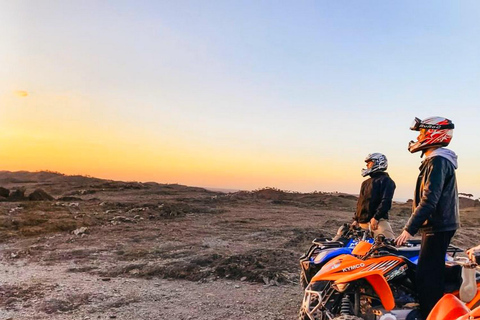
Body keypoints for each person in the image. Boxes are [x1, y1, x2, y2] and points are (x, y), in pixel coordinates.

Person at [395, 116, 459, 319]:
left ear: (433, 134)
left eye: (422, 133)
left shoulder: (438, 161)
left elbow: (429, 200)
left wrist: (408, 229)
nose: (419, 138)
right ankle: (454, 280)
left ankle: (431, 313)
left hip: (438, 224)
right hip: (437, 224)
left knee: (427, 276)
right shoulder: (435, 160)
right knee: (430, 268)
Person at [352, 152, 396, 239]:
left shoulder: (386, 181)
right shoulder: (365, 183)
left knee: (389, 246)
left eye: (370, 162)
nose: (367, 165)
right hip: (362, 223)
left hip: (378, 222)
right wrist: (356, 219)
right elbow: (360, 203)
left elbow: (386, 202)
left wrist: (376, 218)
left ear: (378, 162)